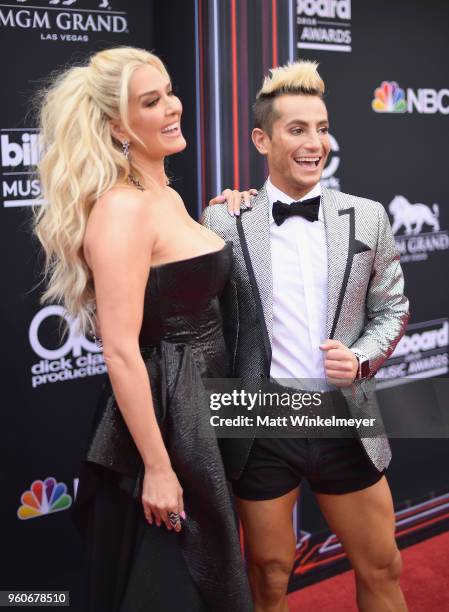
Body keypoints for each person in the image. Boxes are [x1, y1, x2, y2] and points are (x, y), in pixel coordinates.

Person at [33, 46, 253, 612]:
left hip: (205, 406)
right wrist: (158, 468)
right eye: (150, 102)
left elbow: (186, 276)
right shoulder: (121, 209)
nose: (173, 108)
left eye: (169, 92)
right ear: (116, 125)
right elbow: (123, 350)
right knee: (172, 585)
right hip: (167, 421)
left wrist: (225, 222)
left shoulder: (169, 196)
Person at [204, 61, 410, 612]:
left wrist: (362, 357)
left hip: (344, 414)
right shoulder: (224, 220)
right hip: (261, 421)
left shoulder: (366, 218)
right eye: (297, 129)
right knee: (269, 574)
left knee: (383, 565)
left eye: (321, 128)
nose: (314, 142)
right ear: (262, 138)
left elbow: (393, 310)